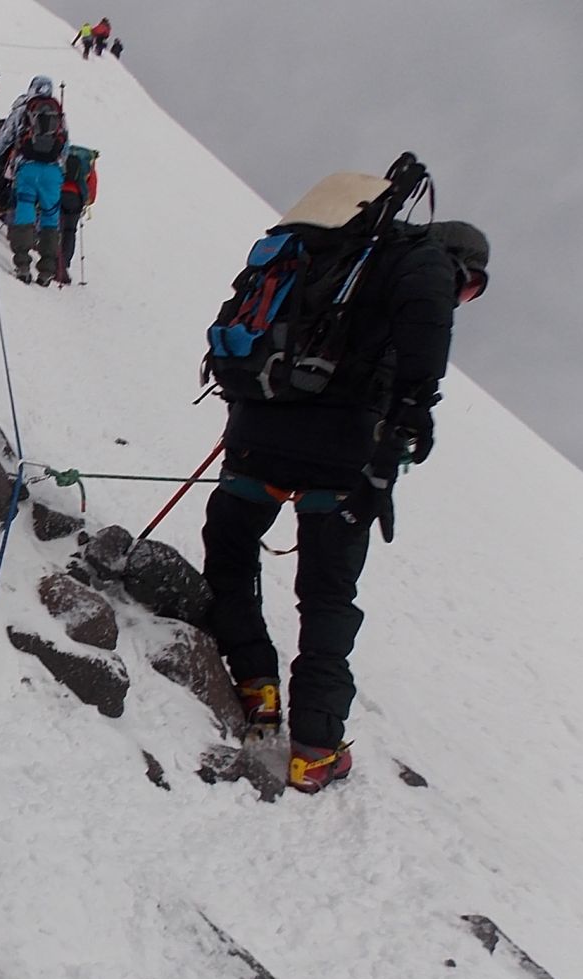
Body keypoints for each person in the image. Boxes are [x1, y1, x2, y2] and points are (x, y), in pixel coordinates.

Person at [200, 218, 491, 793]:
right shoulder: (427, 264)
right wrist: (411, 414)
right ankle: (314, 750)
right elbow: (427, 333)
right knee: (328, 598)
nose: (464, 297)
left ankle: (255, 680)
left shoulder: (337, 261)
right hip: (340, 463)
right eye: (472, 285)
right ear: (459, 263)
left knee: (231, 558)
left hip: (258, 435)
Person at [0, 75, 69, 284]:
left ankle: (22, 264)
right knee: (49, 216)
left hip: (27, 167)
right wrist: (59, 170)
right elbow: (65, 146)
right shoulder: (59, 113)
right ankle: (47, 270)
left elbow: (2, 141)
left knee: (25, 210)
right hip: (52, 172)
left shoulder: (22, 110)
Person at [56, 144, 99, 284]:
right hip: (75, 199)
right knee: (69, 231)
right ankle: (64, 264)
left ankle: (51, 258)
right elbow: (91, 189)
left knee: (56, 227)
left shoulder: (65, 155)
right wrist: (86, 201)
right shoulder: (88, 165)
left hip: (58, 193)